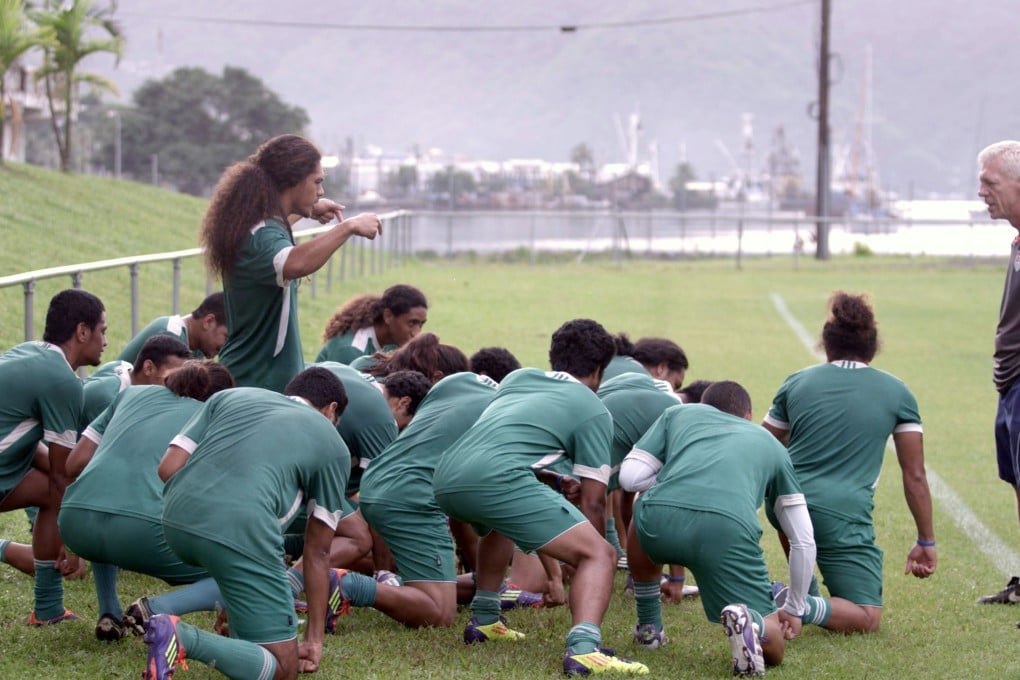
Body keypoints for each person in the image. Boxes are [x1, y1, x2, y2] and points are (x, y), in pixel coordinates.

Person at [433, 318, 649, 677]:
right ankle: (584, 648)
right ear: (599, 369)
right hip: (495, 477)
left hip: (447, 474)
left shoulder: (519, 379)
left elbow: (503, 438)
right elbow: (595, 502)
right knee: (600, 554)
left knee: (499, 526)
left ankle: (485, 619)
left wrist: (545, 477)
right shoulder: (594, 408)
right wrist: (587, 558)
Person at [139, 367, 352, 680]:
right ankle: (180, 637)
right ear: (331, 411)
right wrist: (314, 640)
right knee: (283, 668)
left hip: (175, 520)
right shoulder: (332, 442)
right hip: (240, 530)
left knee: (251, 625)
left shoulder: (231, 396)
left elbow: (168, 467)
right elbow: (318, 552)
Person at [762, 291, 936, 633]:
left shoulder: (796, 382)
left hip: (784, 501)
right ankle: (798, 603)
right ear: (873, 347)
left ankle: (801, 594)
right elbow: (914, 474)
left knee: (793, 512)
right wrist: (926, 541)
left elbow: (762, 444)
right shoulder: (897, 392)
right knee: (866, 616)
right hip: (839, 512)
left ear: (827, 346)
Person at [620, 381, 815, 677]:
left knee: (645, 503)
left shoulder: (678, 414)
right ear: (748, 416)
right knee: (774, 649)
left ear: (703, 406)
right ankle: (752, 621)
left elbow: (629, 478)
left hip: (658, 521)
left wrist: (672, 481)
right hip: (726, 530)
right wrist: (796, 607)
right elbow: (802, 539)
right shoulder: (771, 443)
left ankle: (649, 629)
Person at [60, 360, 234, 641]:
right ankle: (154, 608)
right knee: (237, 574)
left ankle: (109, 611)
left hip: (74, 521)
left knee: (109, 495)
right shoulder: (209, 417)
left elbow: (74, 463)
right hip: (143, 532)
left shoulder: (130, 394)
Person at [200, 133, 381, 392]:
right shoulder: (261, 237)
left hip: (259, 379)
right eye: (317, 182)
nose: (321, 191)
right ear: (293, 181)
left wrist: (305, 210)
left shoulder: (260, 227)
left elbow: (276, 237)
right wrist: (349, 227)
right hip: (255, 383)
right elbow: (293, 263)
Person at [0, 288, 106, 625]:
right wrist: (71, 540)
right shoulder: (63, 381)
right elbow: (63, 475)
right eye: (102, 330)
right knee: (55, 492)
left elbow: (30, 446)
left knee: (50, 491)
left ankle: (48, 610)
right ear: (82, 331)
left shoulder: (30, 352)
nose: (105, 341)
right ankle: (46, 607)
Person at [977, 140, 1020, 604]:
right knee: (1017, 479)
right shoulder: (1017, 238)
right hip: (1010, 383)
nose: (982, 192)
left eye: (990, 183)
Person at [82, 335, 192, 425]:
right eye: (172, 378)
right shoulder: (112, 399)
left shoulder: (123, 367)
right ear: (148, 368)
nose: (177, 389)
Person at [315, 284, 429, 364]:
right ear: (388, 316)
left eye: (421, 324)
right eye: (412, 323)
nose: (417, 333)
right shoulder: (351, 350)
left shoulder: (394, 344)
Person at [116, 292, 228, 363]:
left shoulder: (197, 345)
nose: (226, 346)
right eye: (226, 337)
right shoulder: (170, 336)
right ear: (208, 321)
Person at [602, 333, 688, 389]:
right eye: (676, 385)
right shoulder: (645, 387)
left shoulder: (607, 363)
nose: (674, 392)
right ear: (661, 368)